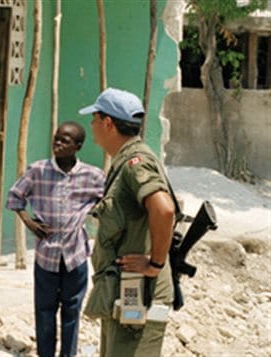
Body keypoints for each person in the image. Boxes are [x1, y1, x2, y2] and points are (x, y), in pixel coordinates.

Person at [78, 88, 175, 356]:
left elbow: (164, 210)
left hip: (139, 293)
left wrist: (154, 263)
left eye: (95, 119)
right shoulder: (124, 162)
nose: (92, 126)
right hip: (124, 292)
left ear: (108, 123)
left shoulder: (135, 163)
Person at [5, 122, 105, 357]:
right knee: (44, 311)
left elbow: (108, 199)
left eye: (65, 140)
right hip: (46, 255)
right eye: (56, 138)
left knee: (72, 311)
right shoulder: (37, 171)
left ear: (78, 146)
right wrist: (29, 221)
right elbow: (15, 197)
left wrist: (90, 218)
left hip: (75, 255)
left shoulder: (93, 176)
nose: (58, 143)